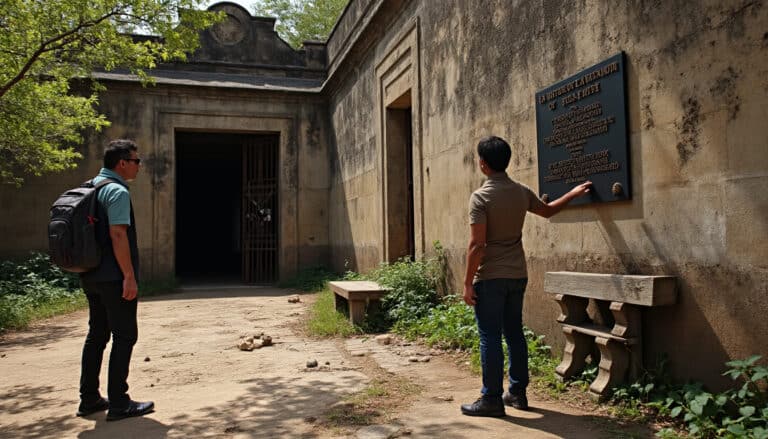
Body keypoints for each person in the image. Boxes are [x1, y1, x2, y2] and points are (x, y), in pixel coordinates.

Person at [460, 136, 592, 417]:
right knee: (515, 333)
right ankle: (517, 394)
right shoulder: (521, 191)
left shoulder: (481, 197)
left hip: (491, 278)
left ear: (483, 164)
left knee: (490, 337)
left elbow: (477, 245)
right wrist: (573, 193)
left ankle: (491, 399)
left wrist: (467, 282)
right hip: (517, 275)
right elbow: (548, 211)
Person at [76, 139, 155, 421]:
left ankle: (90, 399)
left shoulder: (91, 187)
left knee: (97, 335)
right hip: (114, 277)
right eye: (136, 161)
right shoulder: (117, 191)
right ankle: (120, 403)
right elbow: (118, 235)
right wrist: (129, 276)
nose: (139, 166)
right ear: (122, 163)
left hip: (91, 274)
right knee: (125, 336)